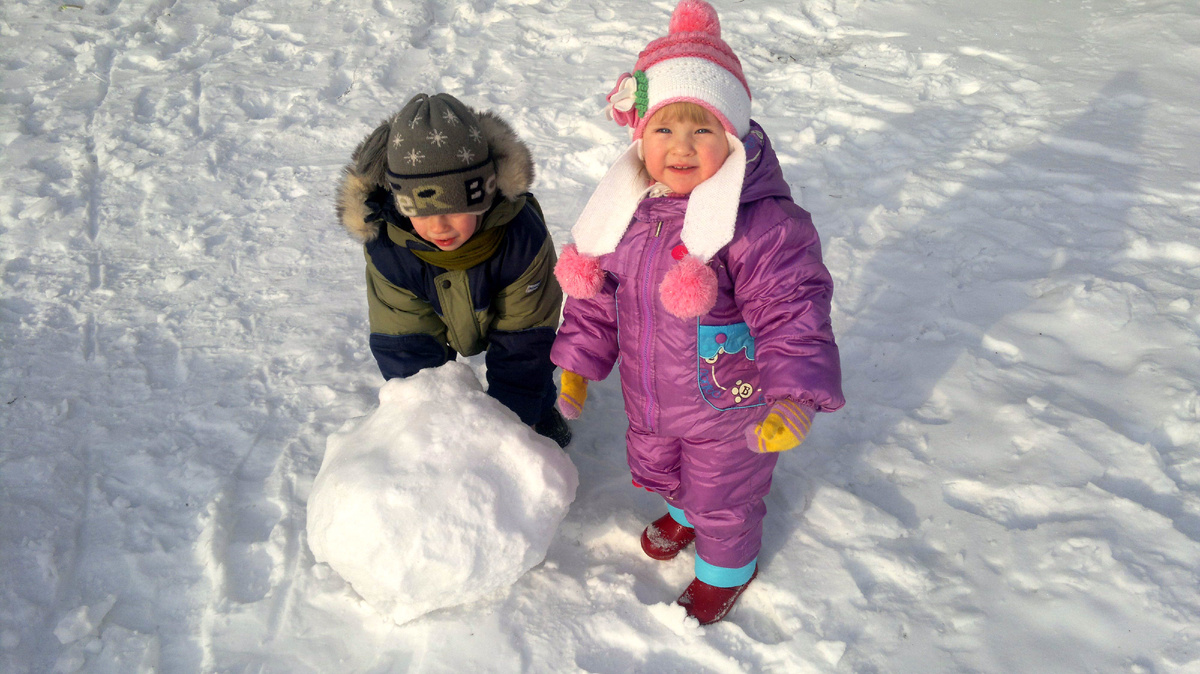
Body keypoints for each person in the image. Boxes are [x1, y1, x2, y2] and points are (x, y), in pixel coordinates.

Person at [550, 0, 844, 624]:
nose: (681, 148)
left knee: (725, 493)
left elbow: (793, 310)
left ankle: (726, 571)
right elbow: (598, 297)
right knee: (668, 469)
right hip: (654, 396)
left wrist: (794, 397)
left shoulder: (759, 224)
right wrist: (577, 364)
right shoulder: (627, 211)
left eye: (702, 131)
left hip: (730, 401)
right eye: (664, 131)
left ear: (731, 137)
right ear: (640, 138)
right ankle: (684, 513)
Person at [336, 93, 572, 448]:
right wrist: (431, 428)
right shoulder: (390, 250)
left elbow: (526, 340)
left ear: (485, 194)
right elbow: (405, 344)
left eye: (455, 207)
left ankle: (540, 407)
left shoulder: (521, 240)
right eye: (421, 212)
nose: (438, 226)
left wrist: (515, 425)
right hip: (429, 298)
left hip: (507, 310)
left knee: (526, 375)